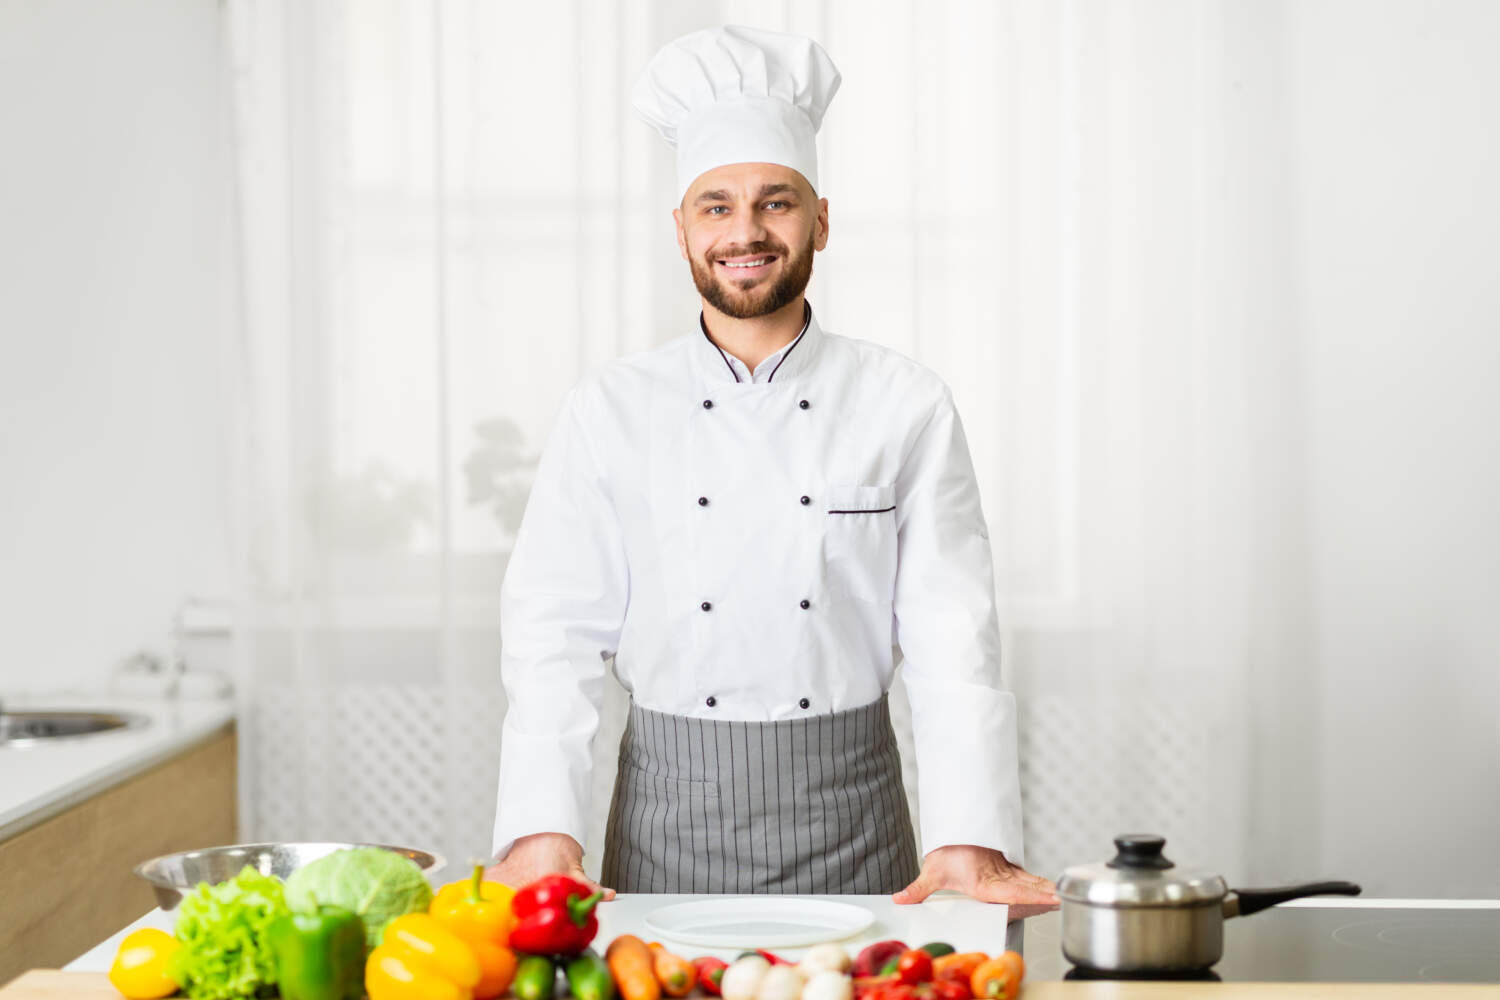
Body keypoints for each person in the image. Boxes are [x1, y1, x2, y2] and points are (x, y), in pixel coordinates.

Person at [487, 24, 1057, 916]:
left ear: (821, 219)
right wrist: (538, 830)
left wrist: (970, 838)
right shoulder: (610, 408)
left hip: (855, 820)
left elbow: (955, 629)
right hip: (666, 821)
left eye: (776, 202)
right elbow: (553, 630)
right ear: (681, 229)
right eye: (716, 205)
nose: (745, 231)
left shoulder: (904, 402)